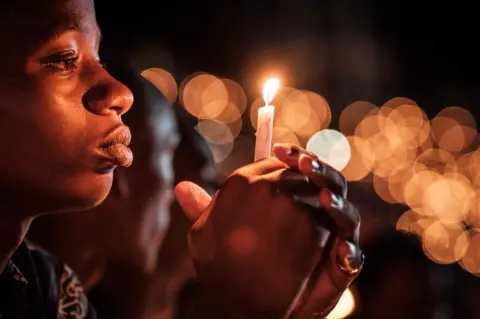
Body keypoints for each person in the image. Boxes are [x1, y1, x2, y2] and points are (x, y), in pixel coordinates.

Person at [2, 0, 363, 318]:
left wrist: (284, 304)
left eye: (99, 57)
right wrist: (234, 307)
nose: (121, 93)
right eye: (65, 59)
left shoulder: (45, 288)